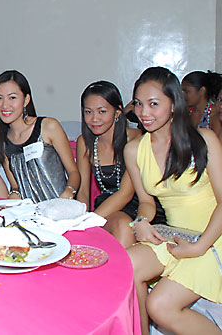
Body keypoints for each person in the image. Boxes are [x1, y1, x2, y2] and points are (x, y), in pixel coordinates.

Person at [125, 67, 222, 334]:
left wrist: (199, 246)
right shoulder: (134, 150)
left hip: (213, 237)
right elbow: (146, 202)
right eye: (139, 104)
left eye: (153, 104)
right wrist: (140, 222)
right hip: (176, 235)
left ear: (173, 104)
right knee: (126, 267)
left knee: (159, 306)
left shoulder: (204, 140)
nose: (144, 112)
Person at [76, 81, 165, 248]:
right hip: (108, 208)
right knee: (121, 225)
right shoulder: (85, 142)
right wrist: (81, 221)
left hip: (141, 205)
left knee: (125, 225)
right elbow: (83, 191)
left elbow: (126, 193)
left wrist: (90, 220)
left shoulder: (135, 139)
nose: (94, 118)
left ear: (117, 112)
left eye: (102, 111)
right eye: (88, 112)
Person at [0, 71, 80, 201]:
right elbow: (16, 186)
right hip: (28, 212)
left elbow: (73, 172)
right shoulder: (2, 141)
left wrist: (69, 191)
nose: (5, 105)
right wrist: (14, 194)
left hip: (60, 207)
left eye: (12, 98)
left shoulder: (48, 127)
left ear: (26, 100)